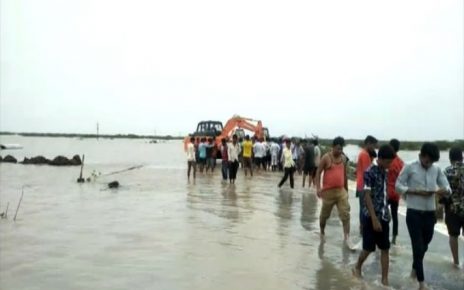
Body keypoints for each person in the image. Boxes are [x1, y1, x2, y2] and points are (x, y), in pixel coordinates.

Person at [395, 142, 451, 290]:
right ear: (421, 155)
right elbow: (398, 185)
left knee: (424, 246)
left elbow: (447, 187)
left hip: (430, 215)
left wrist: (443, 190)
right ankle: (421, 283)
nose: (429, 164)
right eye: (427, 161)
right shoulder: (409, 166)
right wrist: (414, 191)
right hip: (414, 213)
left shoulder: (436, 169)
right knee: (417, 247)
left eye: (432, 162)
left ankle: (414, 270)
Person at [353, 144, 396, 286]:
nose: (390, 165)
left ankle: (385, 280)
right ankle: (357, 266)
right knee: (368, 248)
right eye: (388, 162)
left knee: (385, 248)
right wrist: (374, 219)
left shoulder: (385, 171)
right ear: (381, 159)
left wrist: (387, 211)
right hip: (370, 216)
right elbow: (366, 195)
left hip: (383, 215)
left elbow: (383, 193)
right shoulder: (369, 172)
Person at [315, 136, 352, 247]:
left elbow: (344, 176)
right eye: (337, 148)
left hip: (341, 192)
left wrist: (346, 190)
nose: (339, 151)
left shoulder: (344, 159)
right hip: (328, 192)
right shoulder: (326, 158)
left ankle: (347, 238)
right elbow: (318, 172)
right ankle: (322, 232)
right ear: (332, 147)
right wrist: (318, 188)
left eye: (341, 149)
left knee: (345, 214)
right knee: (324, 216)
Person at [443, 147, 464, 268]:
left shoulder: (447, 171)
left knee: (453, 235)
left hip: (452, 208)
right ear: (462, 157)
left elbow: (444, 190)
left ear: (450, 158)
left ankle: (456, 262)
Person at [356, 135, 378, 234]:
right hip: (364, 185)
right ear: (368, 143)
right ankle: (363, 229)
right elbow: (368, 171)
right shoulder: (365, 155)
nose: (374, 148)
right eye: (373, 145)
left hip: (360, 184)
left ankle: (362, 228)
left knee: (362, 207)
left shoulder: (362, 153)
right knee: (364, 208)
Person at [386, 139, 404, 245]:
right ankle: (394, 239)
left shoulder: (388, 161)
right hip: (396, 193)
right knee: (395, 215)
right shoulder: (400, 162)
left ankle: (384, 233)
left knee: (382, 213)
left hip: (388, 191)